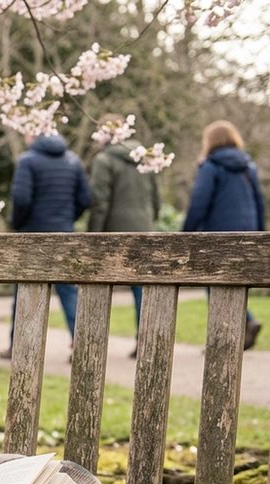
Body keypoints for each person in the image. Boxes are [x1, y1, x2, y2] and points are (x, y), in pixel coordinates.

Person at [0, 132, 91, 359]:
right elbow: (85, 199)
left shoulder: (27, 160)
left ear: (33, 134)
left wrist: (17, 224)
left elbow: (21, 198)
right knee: (68, 291)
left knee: (24, 289)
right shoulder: (73, 160)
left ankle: (18, 345)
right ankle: (81, 344)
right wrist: (67, 219)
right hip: (63, 234)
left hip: (33, 235)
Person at [183, 120, 266, 350]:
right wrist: (261, 234)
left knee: (213, 284)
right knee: (234, 282)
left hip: (218, 234)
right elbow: (259, 201)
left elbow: (199, 203)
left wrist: (186, 233)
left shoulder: (210, 166)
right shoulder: (248, 166)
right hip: (247, 232)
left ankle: (224, 338)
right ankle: (243, 325)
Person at [87, 115, 160, 358]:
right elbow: (156, 198)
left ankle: (93, 343)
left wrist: (93, 236)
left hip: (113, 232)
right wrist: (150, 220)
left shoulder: (104, 160)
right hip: (144, 227)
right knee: (141, 288)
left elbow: (99, 202)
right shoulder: (144, 157)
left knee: (99, 286)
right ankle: (145, 340)